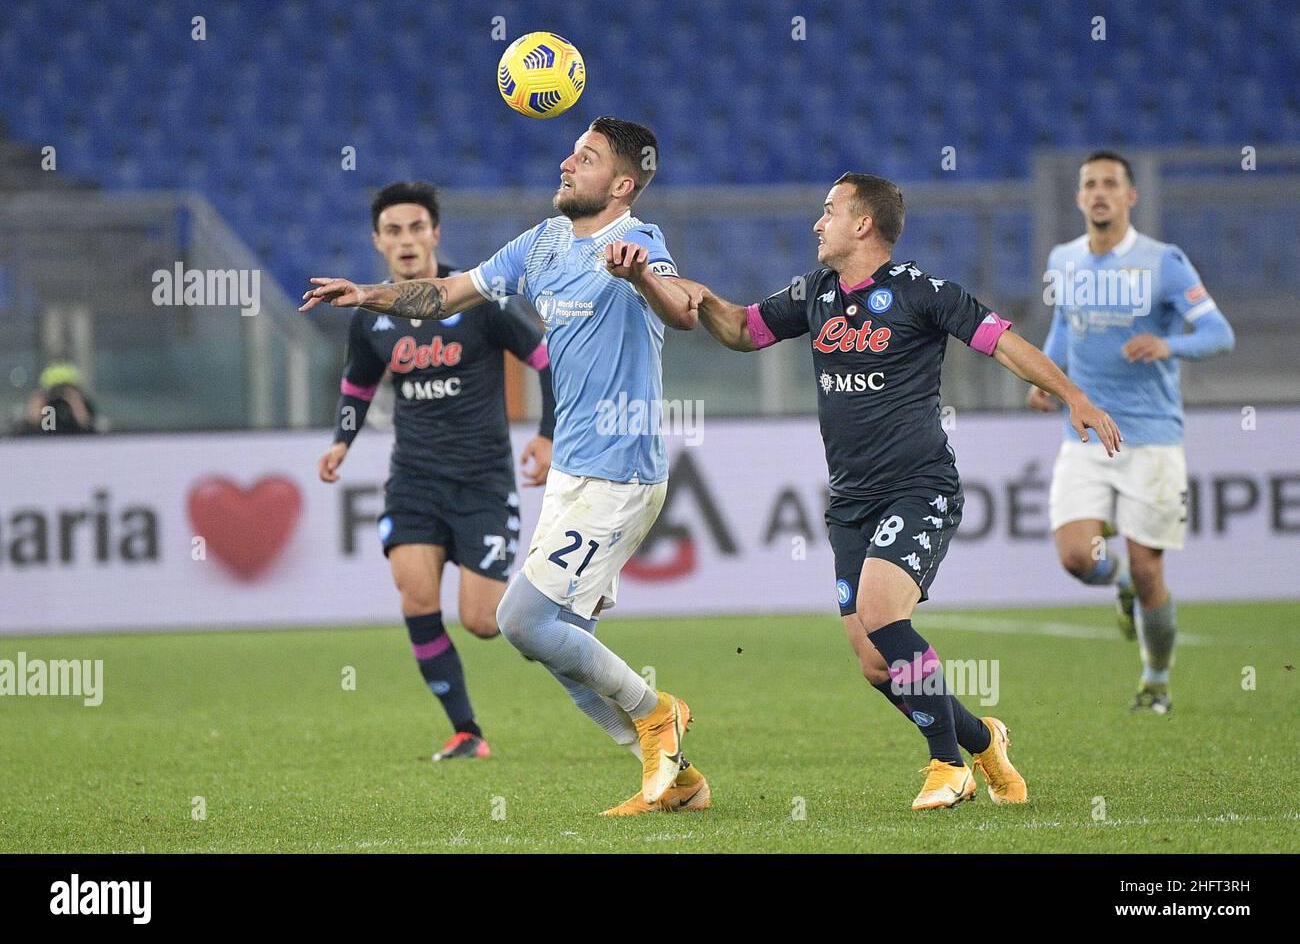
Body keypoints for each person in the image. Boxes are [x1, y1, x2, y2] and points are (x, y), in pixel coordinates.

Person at [302, 119, 710, 816]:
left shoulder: (638, 242)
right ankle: (679, 780)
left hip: (621, 471)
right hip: (574, 475)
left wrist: (642, 279)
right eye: (571, 151)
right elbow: (446, 294)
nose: (565, 162)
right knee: (559, 641)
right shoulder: (542, 242)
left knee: (518, 620)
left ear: (619, 185)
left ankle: (656, 715)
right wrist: (369, 295)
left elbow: (683, 313)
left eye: (584, 158)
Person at [681, 172, 1122, 810]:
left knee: (887, 615)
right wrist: (701, 297)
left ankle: (947, 764)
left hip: (919, 487)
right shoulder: (814, 293)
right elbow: (743, 330)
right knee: (874, 662)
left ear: (863, 223)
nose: (817, 222)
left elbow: (1005, 345)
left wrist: (1071, 395)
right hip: (851, 504)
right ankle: (981, 738)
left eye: (828, 211)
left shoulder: (924, 293)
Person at [317, 181, 556, 761]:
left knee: (481, 620)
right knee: (416, 597)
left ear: (435, 234)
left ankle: (555, 626)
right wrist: (342, 442)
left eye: (416, 228)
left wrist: (548, 435)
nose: (406, 240)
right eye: (393, 231)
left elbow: (548, 360)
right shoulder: (371, 316)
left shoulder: (476, 299)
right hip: (415, 481)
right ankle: (467, 732)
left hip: (482, 482)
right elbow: (358, 383)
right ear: (377, 241)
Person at [1029, 151, 1235, 714]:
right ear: (1078, 198)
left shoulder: (1164, 262)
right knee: (1076, 556)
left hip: (1151, 439)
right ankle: (1113, 581)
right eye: (1089, 184)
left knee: (1151, 571)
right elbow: (1063, 328)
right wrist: (1045, 379)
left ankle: (1156, 680)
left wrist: (1170, 344)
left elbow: (1219, 334)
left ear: (1130, 197)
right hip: (1088, 435)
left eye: (1110, 184)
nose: (1099, 193)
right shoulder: (1064, 258)